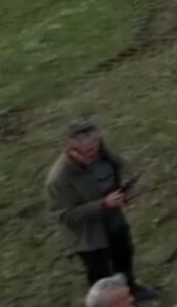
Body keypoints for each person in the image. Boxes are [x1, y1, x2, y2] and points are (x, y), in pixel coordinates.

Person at [47, 120, 158, 301]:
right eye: (89, 152)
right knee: (102, 277)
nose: (95, 154)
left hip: (114, 223)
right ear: (72, 150)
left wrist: (126, 190)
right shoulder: (59, 179)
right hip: (90, 238)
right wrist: (103, 205)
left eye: (97, 148)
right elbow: (66, 216)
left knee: (123, 259)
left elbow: (121, 168)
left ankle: (130, 292)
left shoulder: (103, 156)